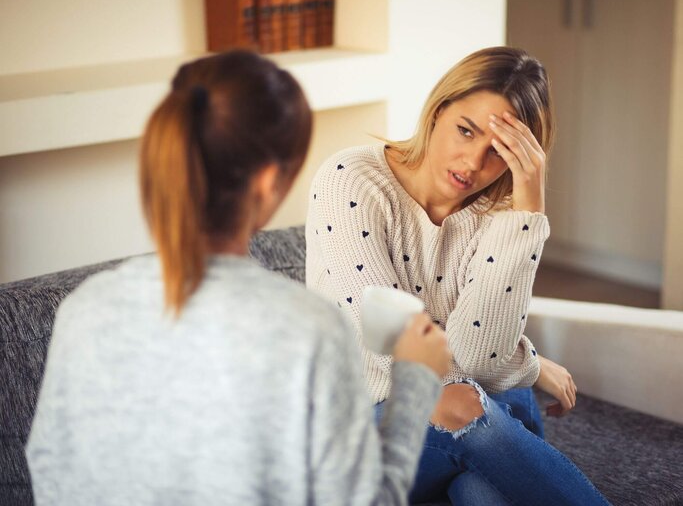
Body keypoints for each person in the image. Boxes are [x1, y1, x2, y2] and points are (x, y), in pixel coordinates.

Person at [25, 50, 455, 505]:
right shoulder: (305, 328)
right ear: (269, 183)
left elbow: (52, 475)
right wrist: (415, 381)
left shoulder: (85, 309)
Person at [306, 46, 609, 505]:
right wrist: (529, 365)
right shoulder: (350, 181)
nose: (471, 163)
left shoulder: (500, 217)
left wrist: (527, 215)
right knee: (461, 402)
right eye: (464, 131)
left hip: (482, 411)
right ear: (437, 110)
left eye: (499, 152)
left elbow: (482, 357)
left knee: (480, 491)